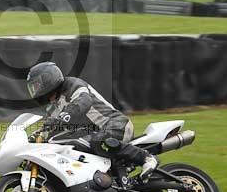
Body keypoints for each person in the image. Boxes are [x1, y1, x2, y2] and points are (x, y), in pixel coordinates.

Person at [26, 62, 157, 178]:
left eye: (36, 85)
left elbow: (83, 102)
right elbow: (51, 129)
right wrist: (35, 137)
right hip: (93, 132)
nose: (35, 90)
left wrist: (61, 118)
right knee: (66, 147)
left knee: (98, 141)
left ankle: (147, 158)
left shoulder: (73, 85)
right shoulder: (52, 108)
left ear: (48, 79)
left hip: (115, 124)